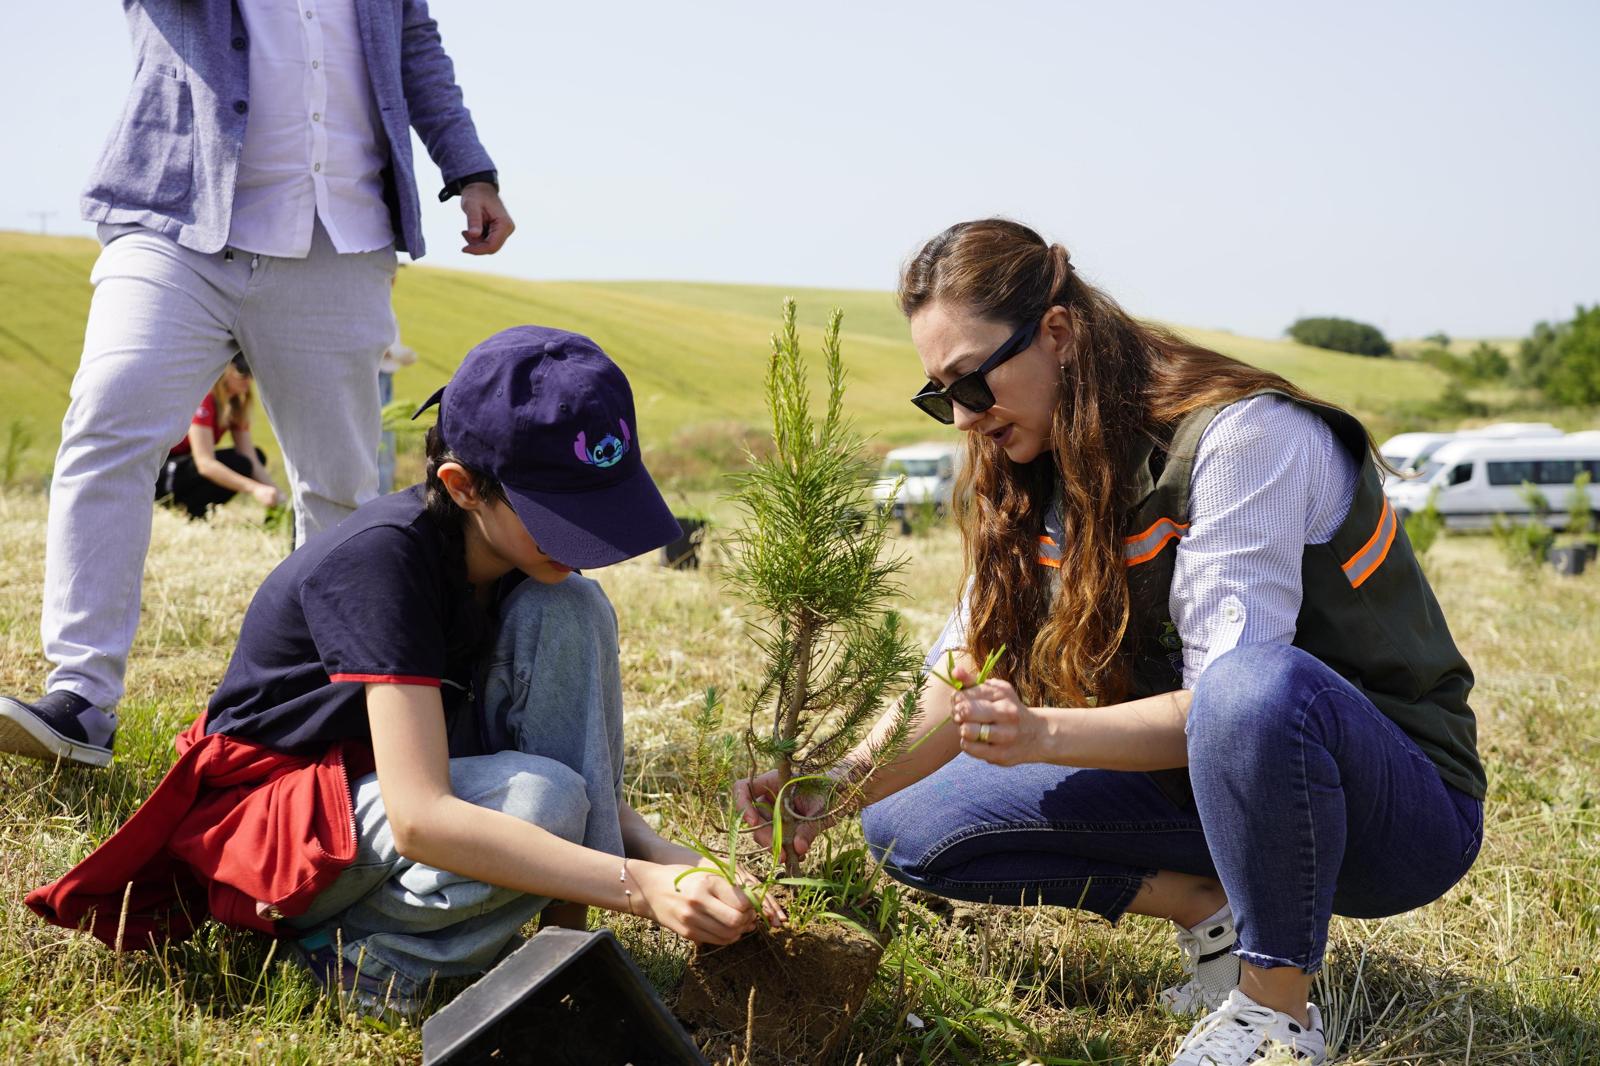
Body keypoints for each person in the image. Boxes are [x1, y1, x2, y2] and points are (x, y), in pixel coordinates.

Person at [735, 219, 1485, 1066]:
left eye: (972, 385)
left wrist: (1042, 736)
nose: (963, 419)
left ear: (1056, 333)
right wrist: (828, 789)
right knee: (910, 822)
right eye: (939, 396)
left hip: (1392, 812)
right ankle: (1214, 911)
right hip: (1212, 791)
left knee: (1252, 686)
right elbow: (961, 670)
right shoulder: (1031, 465)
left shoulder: (1244, 438)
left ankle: (1279, 1015)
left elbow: (1226, 703)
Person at [28, 327, 778, 1014]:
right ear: (462, 486)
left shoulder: (525, 570)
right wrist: (639, 892)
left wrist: (677, 864)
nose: (580, 539)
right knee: (544, 799)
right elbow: (422, 818)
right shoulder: (383, 562)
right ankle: (362, 965)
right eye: (557, 512)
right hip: (285, 826)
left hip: (374, 804)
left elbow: (589, 785)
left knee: (576, 609)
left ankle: (569, 953)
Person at [0, 0, 516, 769]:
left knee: (340, 488)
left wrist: (469, 169)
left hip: (338, 238)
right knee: (107, 419)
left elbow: (416, 51)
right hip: (177, 225)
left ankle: (318, 713)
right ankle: (81, 699)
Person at [157, 355, 283, 519]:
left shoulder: (237, 405)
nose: (248, 379)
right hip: (163, 472)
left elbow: (250, 458)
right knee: (239, 464)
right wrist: (254, 488)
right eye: (242, 371)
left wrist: (278, 496)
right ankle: (189, 509)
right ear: (226, 369)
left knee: (254, 458)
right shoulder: (205, 398)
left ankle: (197, 510)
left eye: (252, 373)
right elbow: (205, 463)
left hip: (186, 467)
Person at [377, 271, 419, 496]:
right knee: (380, 439)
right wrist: (398, 354)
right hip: (376, 375)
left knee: (385, 439)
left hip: (385, 375)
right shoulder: (374, 303)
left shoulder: (385, 304)